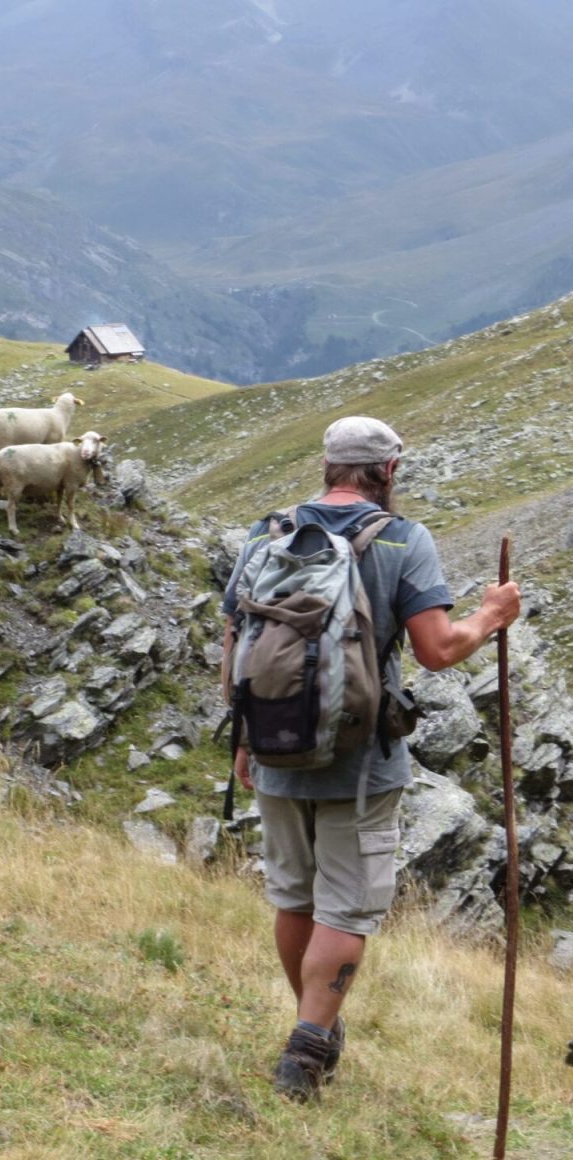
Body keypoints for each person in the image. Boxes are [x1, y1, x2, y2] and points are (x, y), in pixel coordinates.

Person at [222, 416, 520, 1101]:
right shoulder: (401, 538)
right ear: (386, 471)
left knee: (294, 895)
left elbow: (237, 641)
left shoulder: (266, 533)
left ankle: (313, 1025)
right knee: (346, 909)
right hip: (361, 761)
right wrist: (492, 615)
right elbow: (438, 648)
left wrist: (244, 739)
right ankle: (305, 1052)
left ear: (328, 465)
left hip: (272, 746)